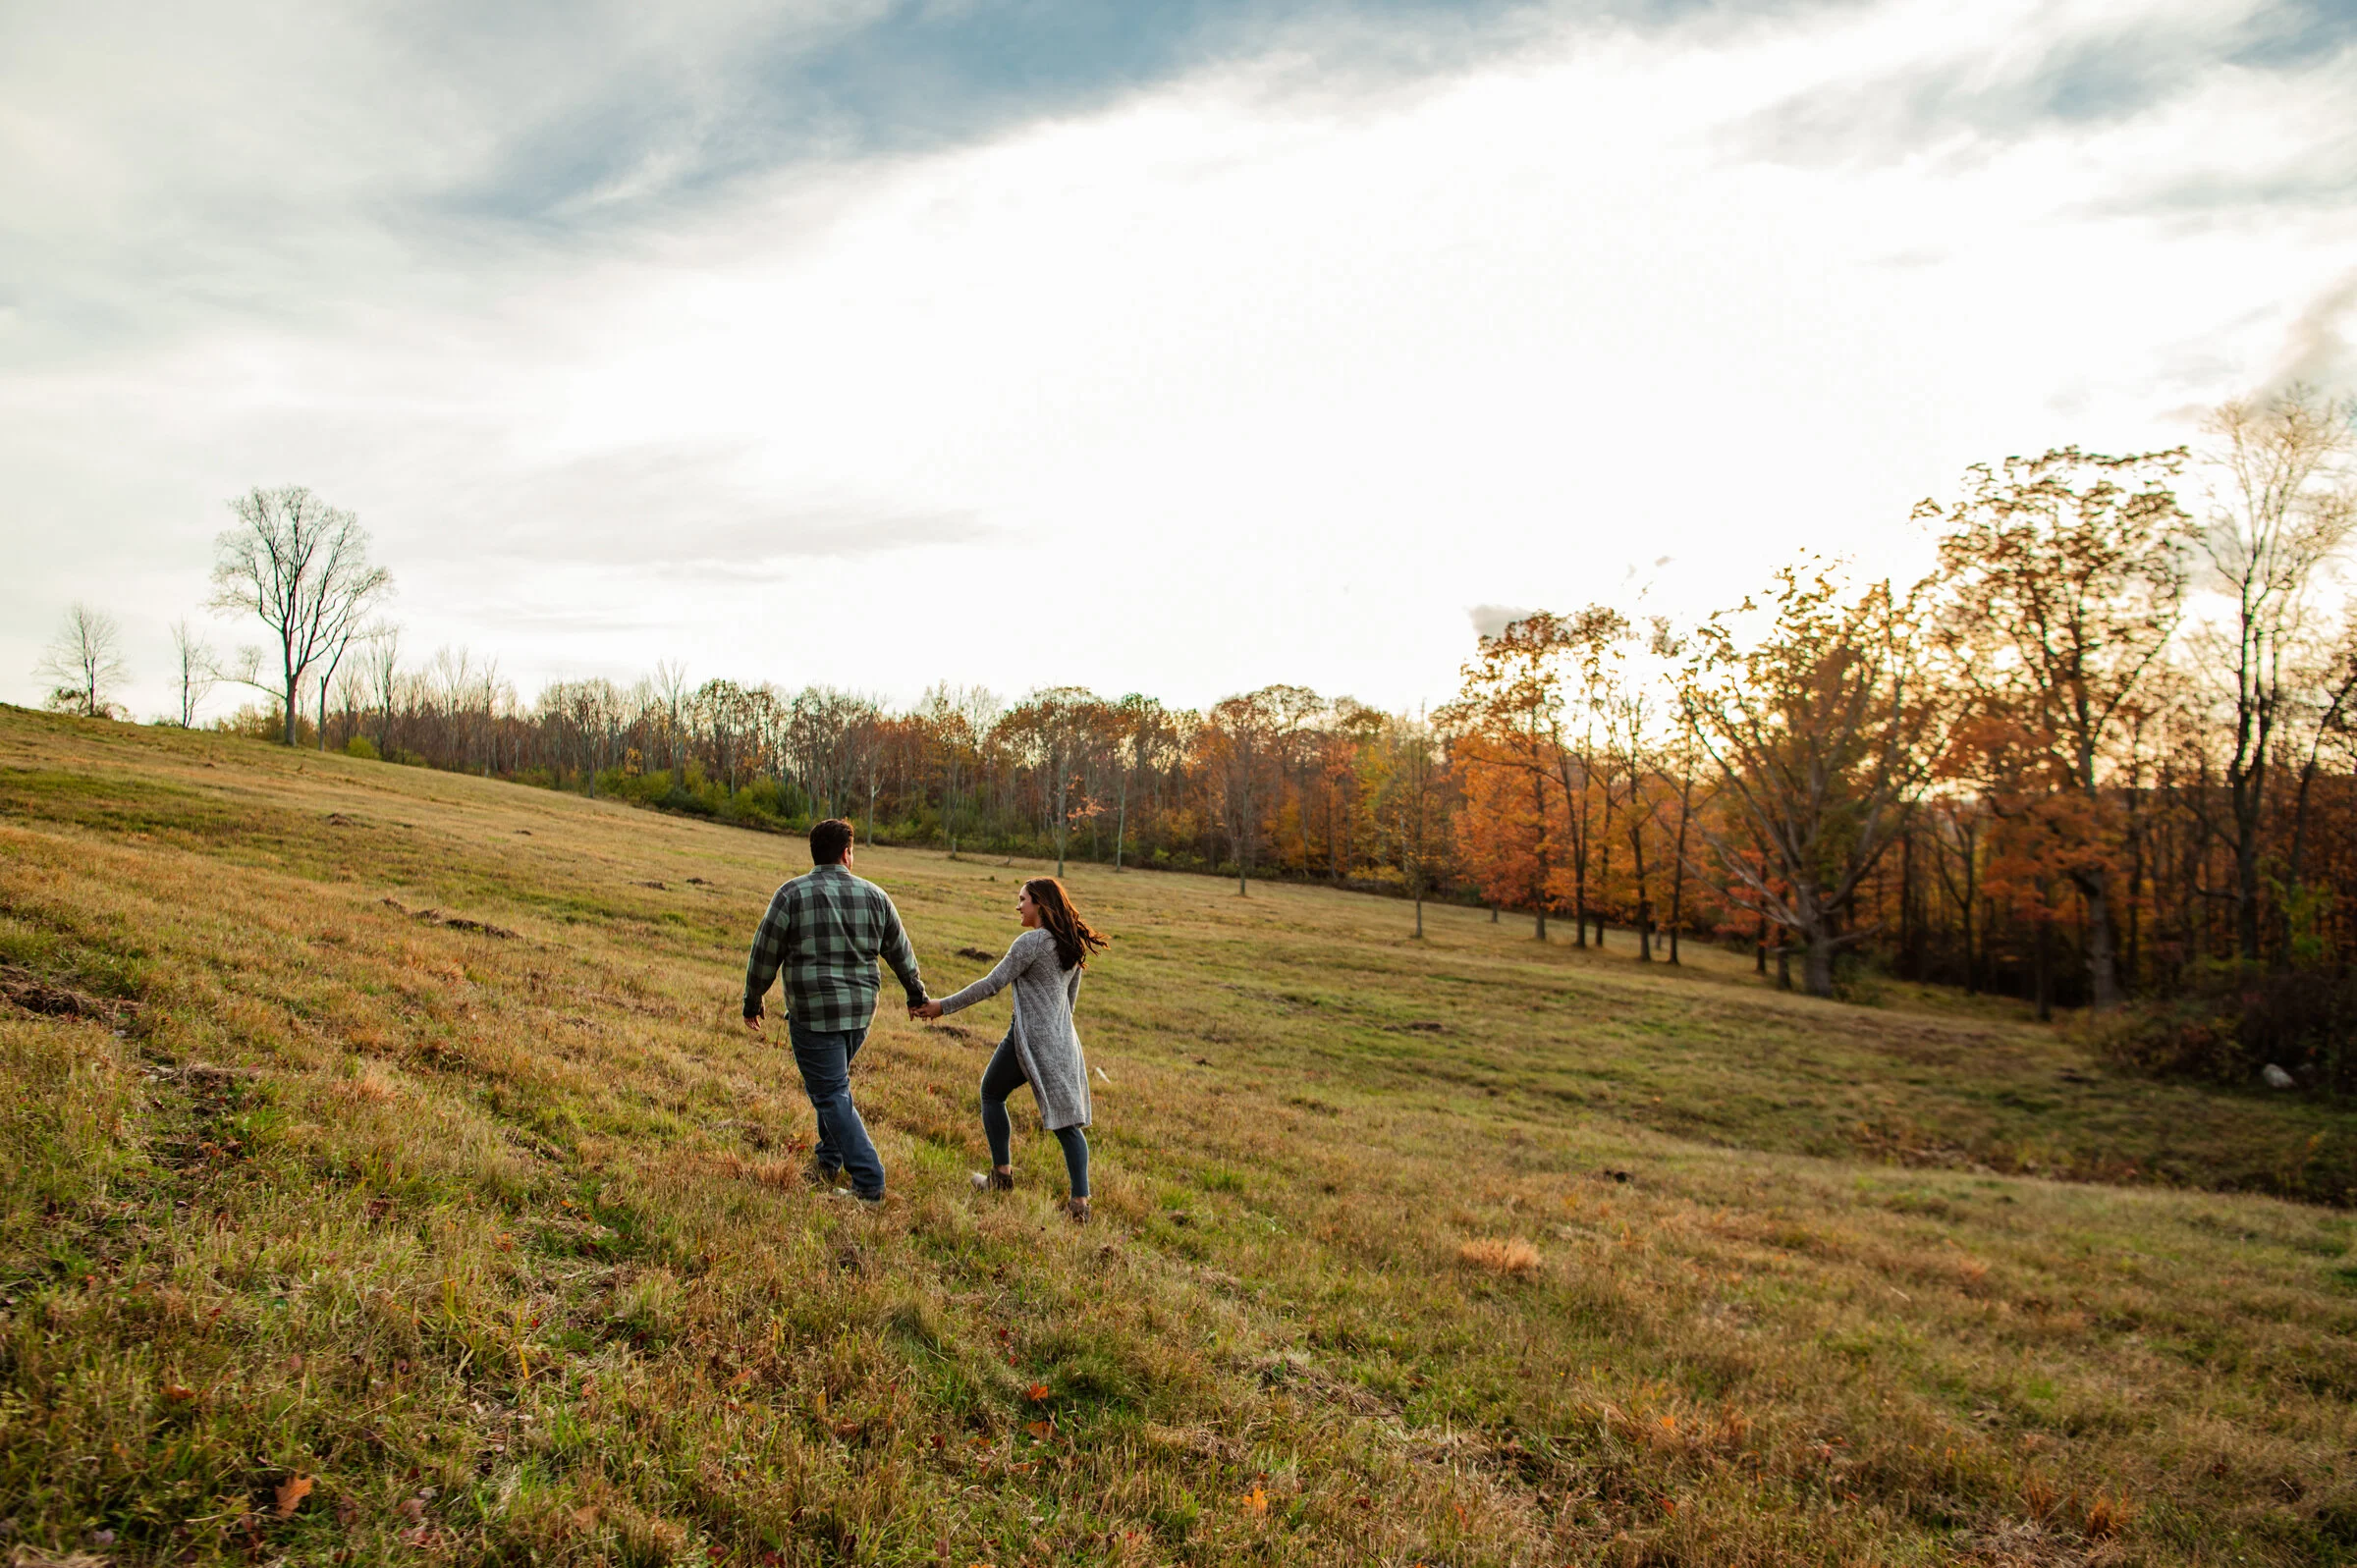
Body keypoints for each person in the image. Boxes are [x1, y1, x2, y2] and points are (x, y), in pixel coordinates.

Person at [743, 818, 927, 1205]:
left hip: (813, 1014)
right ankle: (828, 1161)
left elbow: (765, 952)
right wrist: (915, 994)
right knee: (834, 1087)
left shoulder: (791, 894)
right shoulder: (876, 896)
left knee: (830, 1092)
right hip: (860, 1014)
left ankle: (869, 1182)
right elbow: (901, 952)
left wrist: (753, 998)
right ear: (847, 853)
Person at [912, 876, 1110, 1223]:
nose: (1018, 906)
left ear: (1040, 905)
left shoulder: (1030, 943)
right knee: (1062, 1121)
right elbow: (1069, 1005)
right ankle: (1076, 1203)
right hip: (1060, 1042)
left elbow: (990, 985)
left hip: (1032, 1042)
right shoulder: (1070, 945)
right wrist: (1052, 1032)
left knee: (997, 1096)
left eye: (1022, 900)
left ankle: (1008, 1178)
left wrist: (941, 1006)